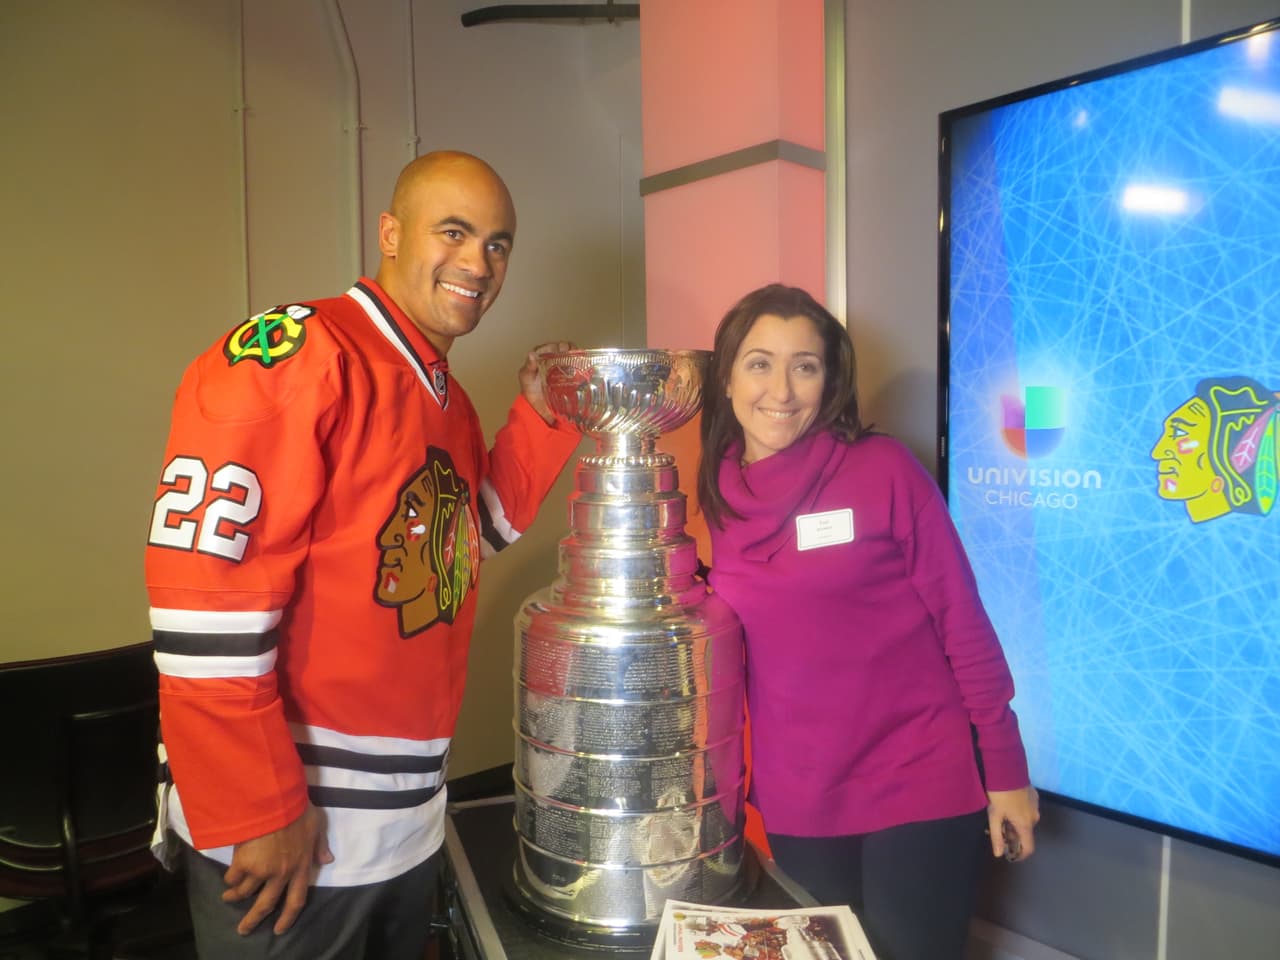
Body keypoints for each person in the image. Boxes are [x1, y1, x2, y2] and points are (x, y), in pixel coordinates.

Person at [143, 150, 582, 959]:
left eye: (498, 244)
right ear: (390, 232)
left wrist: (545, 415)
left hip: (404, 823)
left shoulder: (436, 388)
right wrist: (258, 804)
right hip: (292, 827)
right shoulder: (299, 354)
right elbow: (203, 599)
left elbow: (454, 549)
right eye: (454, 231)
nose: (478, 263)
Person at [695, 283, 1039, 960]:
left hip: (917, 778)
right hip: (798, 795)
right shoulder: (712, 489)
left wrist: (1005, 769)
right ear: (728, 377)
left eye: (806, 365)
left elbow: (963, 622)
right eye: (760, 362)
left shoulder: (882, 471)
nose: (782, 390)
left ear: (831, 380)